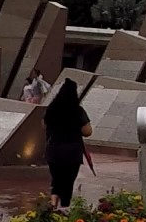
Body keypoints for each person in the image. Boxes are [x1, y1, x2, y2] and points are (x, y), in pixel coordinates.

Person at [43, 79, 93, 210]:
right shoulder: (77, 111)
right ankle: (65, 207)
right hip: (72, 152)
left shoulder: (52, 109)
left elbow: (44, 125)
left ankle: (53, 203)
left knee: (56, 178)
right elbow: (87, 132)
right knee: (68, 181)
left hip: (53, 150)